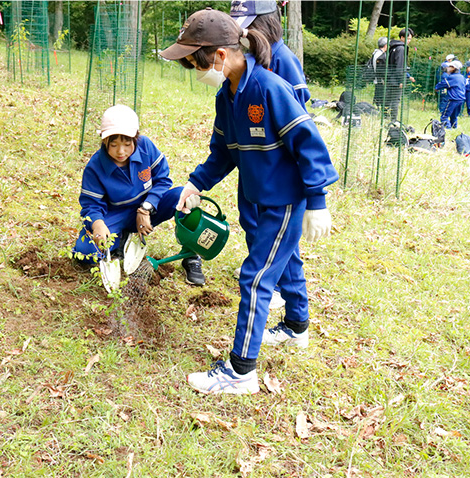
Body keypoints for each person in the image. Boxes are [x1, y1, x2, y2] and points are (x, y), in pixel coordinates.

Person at [160, 8, 339, 394]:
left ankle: (241, 372)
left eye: (195, 63)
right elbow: (223, 152)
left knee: (255, 279)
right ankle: (296, 328)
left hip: (284, 201)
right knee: (277, 262)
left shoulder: (270, 89)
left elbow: (309, 143)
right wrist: (195, 184)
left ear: (221, 56)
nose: (195, 71)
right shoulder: (227, 96)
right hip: (255, 197)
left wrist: (317, 199)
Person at [229, 0, 309, 311]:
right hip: (253, 164)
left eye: (248, 23)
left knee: (280, 237)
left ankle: (277, 287)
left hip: (278, 171)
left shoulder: (283, 60)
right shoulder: (245, 58)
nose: (242, 31)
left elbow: (297, 116)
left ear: (268, 21)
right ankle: (267, 273)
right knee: (252, 222)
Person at [73, 105, 205, 285]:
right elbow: (91, 204)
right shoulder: (95, 167)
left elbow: (163, 180)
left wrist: (146, 208)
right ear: (104, 142)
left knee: (184, 198)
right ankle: (119, 238)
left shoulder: (146, 147)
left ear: (136, 138)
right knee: (85, 251)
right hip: (117, 214)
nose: (121, 151)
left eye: (127, 144)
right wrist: (97, 224)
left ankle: (191, 254)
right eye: (114, 145)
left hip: (149, 206)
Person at [386, 28, 416, 120]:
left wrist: (407, 76)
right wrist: (401, 80)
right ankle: (393, 120)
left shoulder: (393, 47)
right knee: (395, 100)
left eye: (410, 39)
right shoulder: (401, 48)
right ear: (402, 37)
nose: (409, 41)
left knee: (388, 100)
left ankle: (386, 117)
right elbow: (399, 66)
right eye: (408, 39)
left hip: (390, 78)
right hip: (395, 80)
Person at [435, 60, 465, 129]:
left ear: (454, 68)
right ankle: (454, 127)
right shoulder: (461, 77)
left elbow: (443, 84)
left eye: (450, 67)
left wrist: (436, 88)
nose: (448, 68)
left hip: (453, 99)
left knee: (444, 116)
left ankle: (448, 129)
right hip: (461, 99)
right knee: (454, 116)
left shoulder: (452, 77)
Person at [371, 37, 389, 109]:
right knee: (380, 96)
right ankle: (378, 109)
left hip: (376, 78)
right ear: (385, 45)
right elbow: (382, 69)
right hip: (380, 79)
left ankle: (376, 108)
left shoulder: (375, 53)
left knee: (377, 95)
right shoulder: (382, 56)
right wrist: (384, 79)